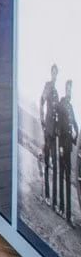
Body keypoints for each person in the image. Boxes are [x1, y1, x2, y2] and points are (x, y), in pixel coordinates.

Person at [42, 65, 61, 204]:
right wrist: (41, 118)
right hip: (47, 128)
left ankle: (54, 200)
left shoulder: (57, 93)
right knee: (47, 162)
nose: (54, 75)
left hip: (54, 132)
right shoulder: (48, 86)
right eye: (53, 73)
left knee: (54, 162)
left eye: (56, 74)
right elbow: (41, 100)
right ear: (51, 73)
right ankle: (46, 195)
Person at [61, 81, 79, 224]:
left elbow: (75, 126)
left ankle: (66, 212)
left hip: (69, 146)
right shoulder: (62, 105)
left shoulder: (71, 107)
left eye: (71, 90)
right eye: (68, 89)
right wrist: (61, 145)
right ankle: (63, 210)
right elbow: (60, 127)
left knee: (66, 178)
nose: (69, 92)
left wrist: (77, 139)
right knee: (63, 178)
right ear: (65, 90)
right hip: (63, 147)